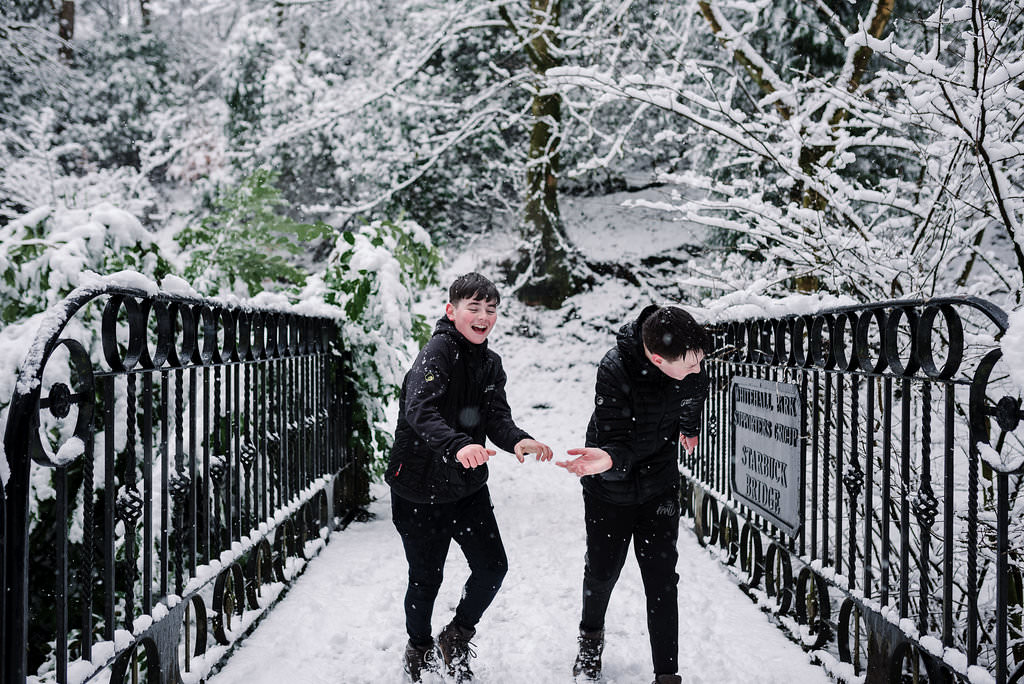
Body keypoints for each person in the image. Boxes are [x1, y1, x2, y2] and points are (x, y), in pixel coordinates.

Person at [385, 272, 553, 683]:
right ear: (452, 310)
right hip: (419, 487)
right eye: (473, 308)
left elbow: (497, 417)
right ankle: (419, 646)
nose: (483, 317)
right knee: (426, 578)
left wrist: (519, 440)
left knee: (493, 567)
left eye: (491, 309)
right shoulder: (438, 352)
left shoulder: (490, 363)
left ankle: (456, 635)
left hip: (466, 487)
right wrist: (458, 444)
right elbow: (419, 410)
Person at [557, 304, 712, 684]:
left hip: (658, 485)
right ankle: (590, 640)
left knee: (661, 579)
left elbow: (693, 393)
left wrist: (689, 427)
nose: (698, 370)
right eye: (690, 365)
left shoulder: (687, 357)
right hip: (609, 486)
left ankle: (667, 675)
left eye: (699, 363)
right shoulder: (614, 369)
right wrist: (608, 460)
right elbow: (617, 441)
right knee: (603, 571)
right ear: (658, 359)